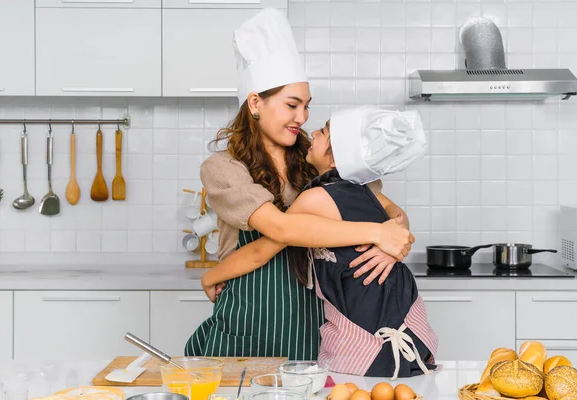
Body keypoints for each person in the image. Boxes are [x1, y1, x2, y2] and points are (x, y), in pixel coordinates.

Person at [184, 8, 414, 360]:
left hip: (310, 320)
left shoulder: (316, 159)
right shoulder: (223, 169)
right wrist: (376, 233)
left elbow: (392, 216)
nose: (303, 117)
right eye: (292, 105)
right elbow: (280, 228)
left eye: (306, 107)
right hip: (244, 320)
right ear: (256, 102)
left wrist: (388, 242)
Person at [200, 107, 437, 379]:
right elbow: (398, 217)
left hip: (366, 340)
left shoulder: (314, 199)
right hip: (408, 325)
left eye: (323, 132)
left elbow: (259, 251)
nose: (310, 130)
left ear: (337, 158)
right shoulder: (363, 192)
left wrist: (210, 277)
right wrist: (388, 238)